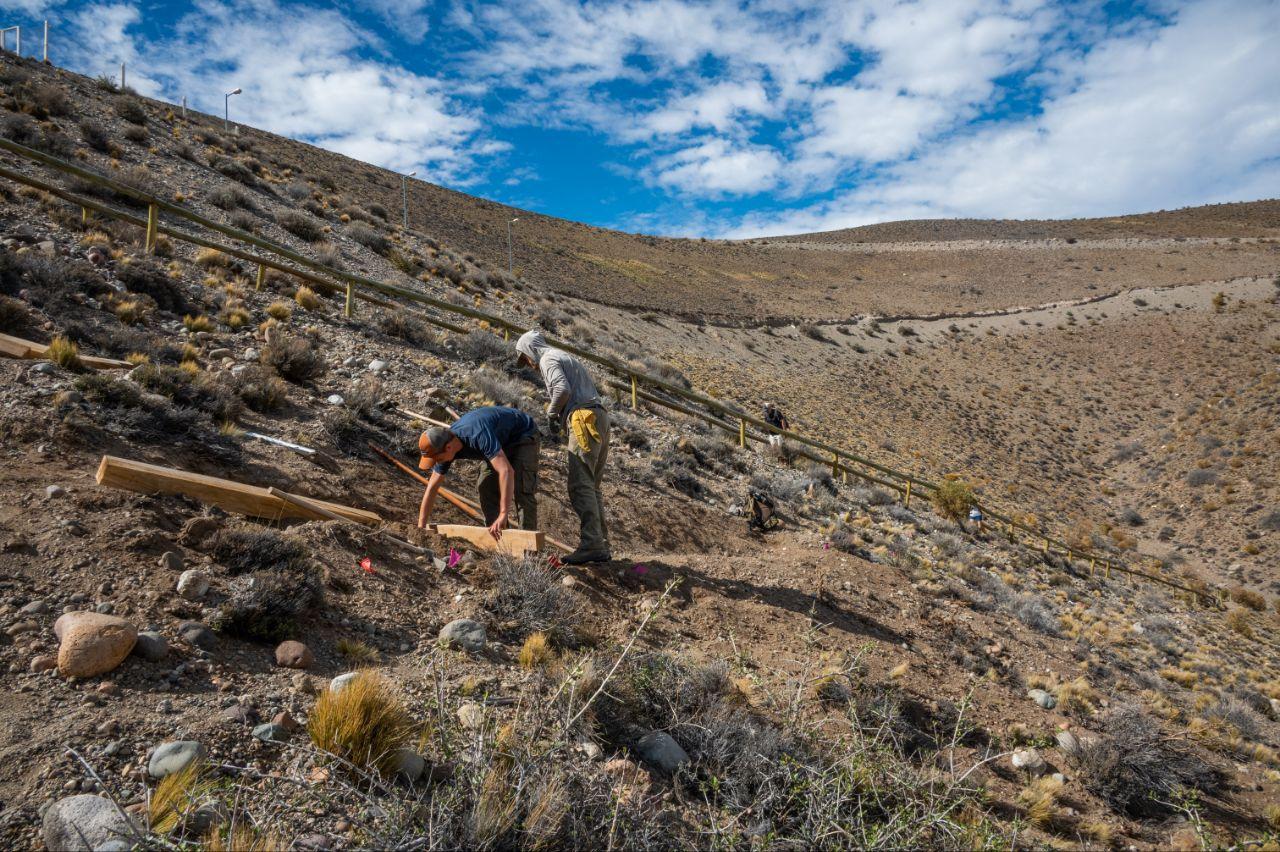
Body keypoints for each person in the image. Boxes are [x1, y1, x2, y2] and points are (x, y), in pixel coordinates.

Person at [515, 329, 612, 564]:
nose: (529, 365)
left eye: (525, 358)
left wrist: (551, 413)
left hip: (583, 417)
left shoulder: (548, 359)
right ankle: (600, 544)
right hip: (599, 416)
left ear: (530, 350)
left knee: (580, 485)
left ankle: (592, 544)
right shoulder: (563, 356)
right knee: (592, 486)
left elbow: (562, 390)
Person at [416, 405, 540, 540]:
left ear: (449, 447)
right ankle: (499, 538)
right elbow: (432, 487)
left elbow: (506, 471)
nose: (438, 463)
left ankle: (529, 548)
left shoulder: (477, 435)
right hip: (497, 441)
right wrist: (421, 527)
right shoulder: (445, 447)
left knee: (522, 489)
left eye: (438, 459)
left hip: (522, 435)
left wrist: (504, 513)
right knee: (485, 485)